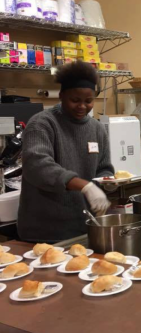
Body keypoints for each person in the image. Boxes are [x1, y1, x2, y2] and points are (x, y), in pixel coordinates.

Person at [18, 61, 113, 243]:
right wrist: (84, 185)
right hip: (44, 233)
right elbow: (37, 166)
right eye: (75, 100)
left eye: (88, 101)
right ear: (61, 96)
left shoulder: (97, 128)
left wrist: (107, 182)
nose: (82, 106)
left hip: (85, 227)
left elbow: (104, 167)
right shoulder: (42, 124)